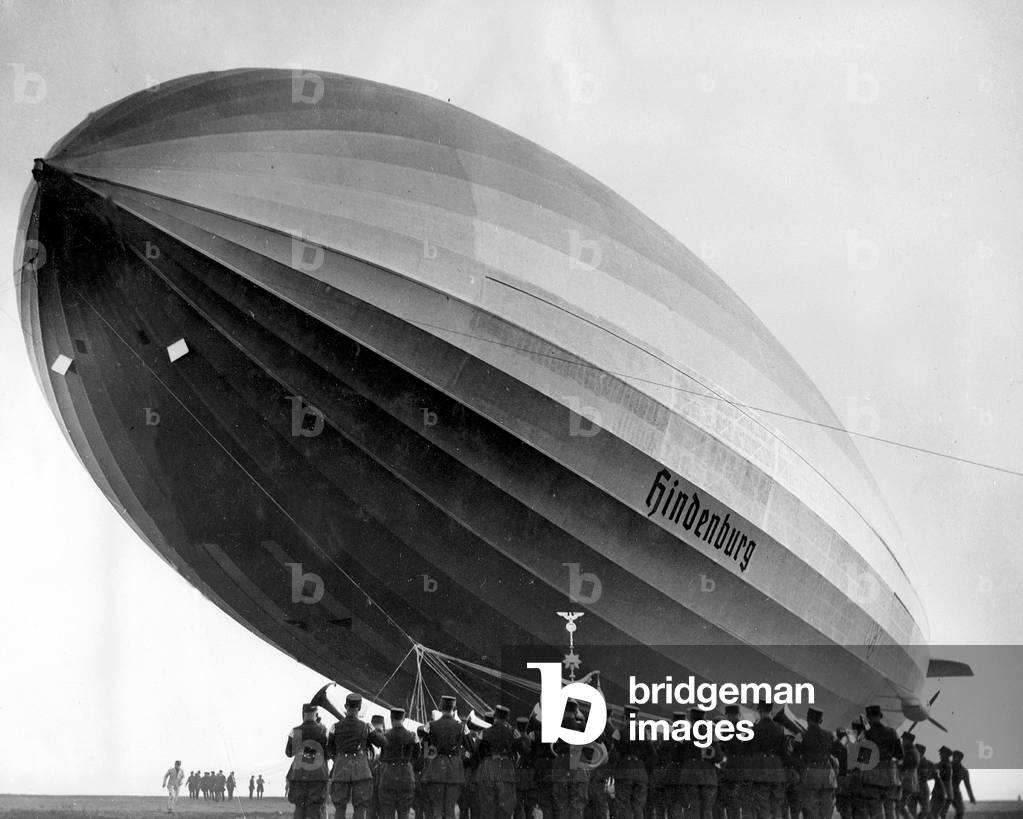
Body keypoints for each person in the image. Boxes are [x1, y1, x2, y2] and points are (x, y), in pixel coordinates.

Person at [328, 692, 388, 819]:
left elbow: (329, 750)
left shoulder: (335, 727)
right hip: (360, 769)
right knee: (360, 806)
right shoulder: (366, 727)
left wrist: (339, 759)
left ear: (345, 706)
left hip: (341, 769)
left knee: (340, 807)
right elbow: (383, 743)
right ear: (359, 708)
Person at [422, 695, 469, 819]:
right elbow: (472, 747)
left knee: (437, 808)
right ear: (454, 708)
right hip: (455, 772)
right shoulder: (462, 727)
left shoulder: (431, 725)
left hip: (436, 770)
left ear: (440, 707)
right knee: (450, 809)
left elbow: (425, 750)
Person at [287, 702, 330, 819]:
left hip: (298, 774)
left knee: (299, 808)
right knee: (314, 808)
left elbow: (290, 753)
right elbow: (328, 753)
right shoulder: (323, 731)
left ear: (303, 714)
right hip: (317, 775)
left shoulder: (296, 731)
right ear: (316, 714)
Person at [791, 708, 835, 819]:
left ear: (807, 719)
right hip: (828, 777)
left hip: (810, 776)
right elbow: (840, 752)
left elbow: (793, 754)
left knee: (810, 811)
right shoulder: (829, 735)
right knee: (826, 812)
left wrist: (801, 769)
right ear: (821, 721)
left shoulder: (801, 735)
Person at [862, 705, 902, 819]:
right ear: (881, 716)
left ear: (868, 718)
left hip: (873, 774)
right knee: (890, 808)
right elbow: (899, 754)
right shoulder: (892, 732)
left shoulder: (866, 734)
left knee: (876, 809)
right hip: (890, 773)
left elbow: (863, 759)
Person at [378, 707, 419, 819]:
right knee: (404, 813)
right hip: (406, 775)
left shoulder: (385, 736)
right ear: (404, 718)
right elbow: (416, 755)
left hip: (388, 776)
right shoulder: (412, 736)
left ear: (391, 719)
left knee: (388, 814)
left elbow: (382, 757)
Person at [749, 702, 786, 819]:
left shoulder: (755, 729)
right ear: (771, 711)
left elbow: (751, 750)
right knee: (776, 805)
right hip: (777, 770)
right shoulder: (780, 728)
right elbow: (783, 751)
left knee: (762, 805)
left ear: (760, 711)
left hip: (760, 770)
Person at [898, 734, 920, 819]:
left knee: (899, 806)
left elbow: (905, 766)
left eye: (904, 740)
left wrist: (897, 764)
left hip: (908, 781)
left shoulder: (911, 752)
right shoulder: (913, 751)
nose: (903, 742)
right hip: (910, 782)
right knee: (901, 806)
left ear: (909, 741)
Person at [949, 751, 975, 819]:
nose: (954, 759)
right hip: (944, 791)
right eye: (953, 757)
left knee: (960, 811)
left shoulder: (963, 771)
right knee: (940, 812)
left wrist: (971, 797)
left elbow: (967, 785)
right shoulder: (947, 766)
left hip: (955, 792)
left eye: (956, 757)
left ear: (960, 759)